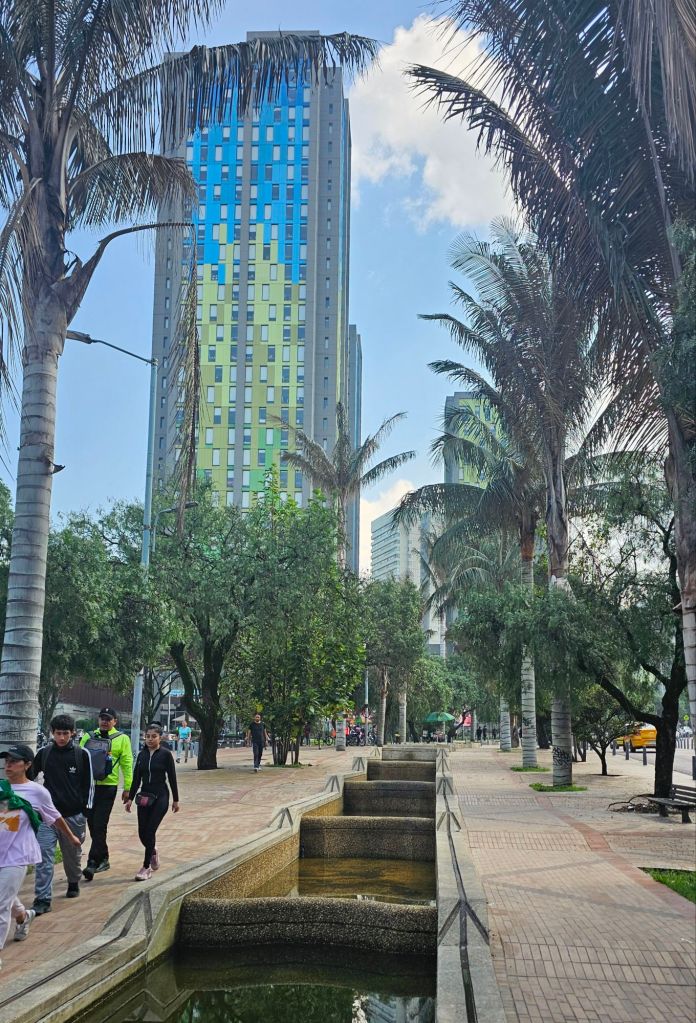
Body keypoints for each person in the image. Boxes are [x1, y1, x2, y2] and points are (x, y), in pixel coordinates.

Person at [0, 745, 81, 966]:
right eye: (7, 760)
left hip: (18, 855)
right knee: (5, 897)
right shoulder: (1, 788)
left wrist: (71, 837)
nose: (8, 765)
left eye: (14, 761)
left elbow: (55, 816)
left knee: (1, 904)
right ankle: (24, 916)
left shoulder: (37, 792)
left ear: (27, 765)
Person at [28, 714, 94, 913]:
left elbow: (89, 784)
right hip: (47, 817)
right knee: (44, 856)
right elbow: (30, 778)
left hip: (74, 815)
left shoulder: (81, 754)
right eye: (58, 733)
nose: (62, 737)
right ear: (52, 733)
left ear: (72, 733)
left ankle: (73, 881)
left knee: (72, 855)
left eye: (66, 733)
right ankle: (42, 899)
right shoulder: (44, 753)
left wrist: (85, 811)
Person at [80, 708, 133, 881]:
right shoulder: (88, 736)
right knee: (92, 825)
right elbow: (79, 759)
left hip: (108, 787)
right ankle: (104, 857)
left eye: (108, 719)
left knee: (100, 824)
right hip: (89, 788)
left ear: (115, 721)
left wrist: (128, 788)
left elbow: (127, 763)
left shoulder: (122, 739)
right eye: (102, 718)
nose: (104, 721)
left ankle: (92, 862)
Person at [125, 724, 180, 881]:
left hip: (161, 796)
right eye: (147, 736)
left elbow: (172, 777)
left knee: (150, 831)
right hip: (145, 796)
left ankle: (146, 867)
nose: (150, 739)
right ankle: (153, 850)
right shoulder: (141, 755)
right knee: (142, 832)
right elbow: (136, 778)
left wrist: (176, 800)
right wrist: (130, 798)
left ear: (160, 738)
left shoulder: (165, 755)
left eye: (153, 736)